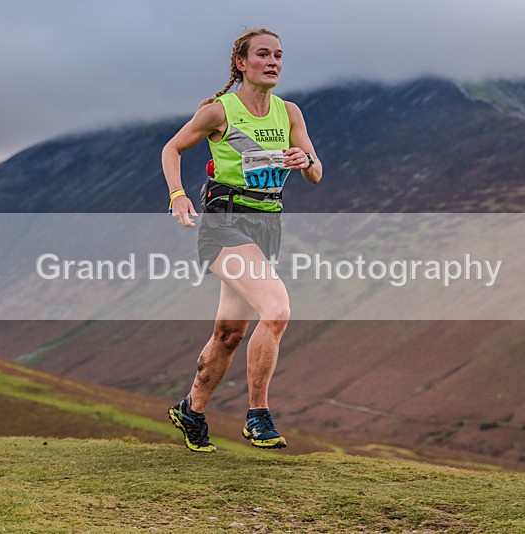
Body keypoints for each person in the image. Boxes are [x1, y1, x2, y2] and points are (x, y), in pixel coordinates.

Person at [161, 27, 322, 452]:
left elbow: (315, 173)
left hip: (266, 229)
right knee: (277, 310)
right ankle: (258, 414)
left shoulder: (289, 113)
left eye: (278, 56)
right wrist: (178, 196)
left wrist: (304, 158)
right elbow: (171, 149)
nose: (273, 62)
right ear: (241, 63)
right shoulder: (219, 112)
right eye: (263, 54)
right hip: (224, 225)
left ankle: (192, 410)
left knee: (229, 333)